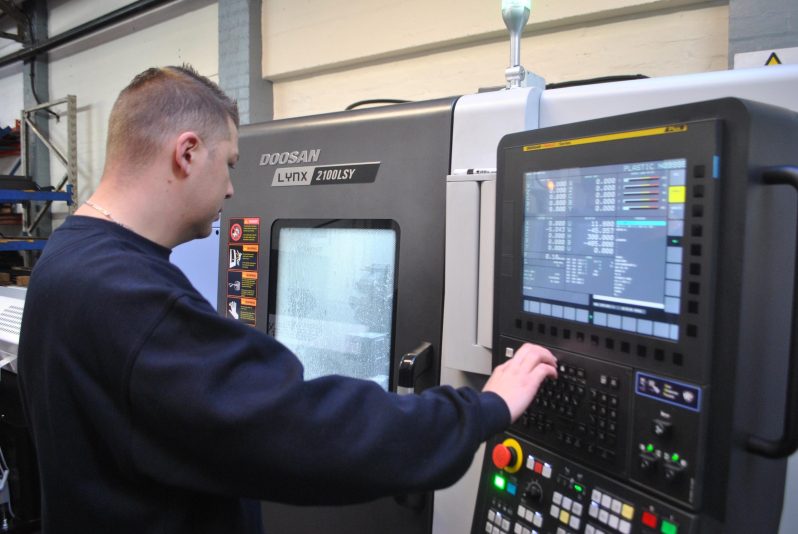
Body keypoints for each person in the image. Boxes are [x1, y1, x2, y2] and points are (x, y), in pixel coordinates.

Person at [17, 65, 558, 533]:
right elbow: (304, 430)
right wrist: (483, 406)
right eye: (229, 164)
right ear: (187, 153)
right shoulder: (127, 297)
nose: (232, 189)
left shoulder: (67, 256)